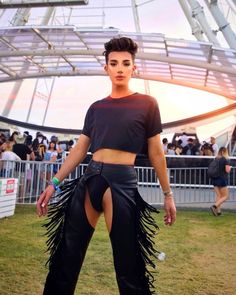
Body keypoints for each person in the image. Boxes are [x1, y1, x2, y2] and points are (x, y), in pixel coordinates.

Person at [37, 37, 176, 295]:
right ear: (106, 68)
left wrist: (168, 194)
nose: (120, 68)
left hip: (121, 183)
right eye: (114, 63)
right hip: (90, 179)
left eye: (126, 63)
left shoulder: (147, 104)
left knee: (129, 263)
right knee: (65, 257)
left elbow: (156, 152)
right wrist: (53, 184)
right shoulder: (96, 107)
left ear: (134, 68)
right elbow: (80, 148)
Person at [210, 147, 231, 216]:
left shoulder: (216, 159)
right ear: (225, 152)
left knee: (219, 195)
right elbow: (227, 170)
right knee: (226, 196)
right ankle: (214, 206)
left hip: (214, 179)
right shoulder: (225, 160)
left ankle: (218, 212)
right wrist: (230, 168)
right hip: (221, 179)